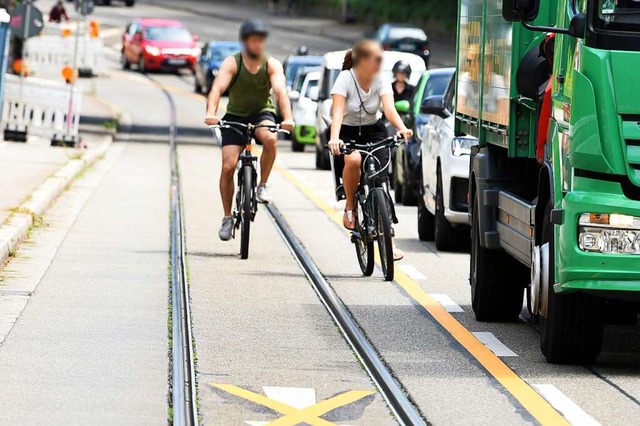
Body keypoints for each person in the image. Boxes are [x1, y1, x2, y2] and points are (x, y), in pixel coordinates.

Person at [204, 20, 295, 241]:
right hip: (235, 116)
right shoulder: (232, 63)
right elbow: (217, 88)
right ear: (245, 42)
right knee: (228, 166)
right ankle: (227, 217)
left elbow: (280, 91)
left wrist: (288, 117)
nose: (258, 44)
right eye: (254, 40)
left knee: (270, 139)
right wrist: (210, 112)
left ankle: (263, 184)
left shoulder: (271, 64)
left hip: (262, 113)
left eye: (261, 40)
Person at [327, 39, 413, 261]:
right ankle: (349, 208)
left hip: (374, 130)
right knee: (353, 160)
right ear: (362, 61)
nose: (379, 63)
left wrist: (402, 128)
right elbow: (337, 111)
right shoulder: (345, 78)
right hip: (346, 131)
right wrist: (334, 138)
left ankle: (390, 244)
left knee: (381, 183)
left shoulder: (381, 79)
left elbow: (389, 109)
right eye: (375, 59)